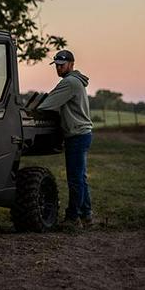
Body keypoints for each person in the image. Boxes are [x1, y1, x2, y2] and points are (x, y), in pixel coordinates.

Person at [36, 50, 93, 227]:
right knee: (80, 178)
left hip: (76, 135)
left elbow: (47, 105)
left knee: (75, 179)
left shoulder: (69, 83)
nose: (59, 68)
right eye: (57, 65)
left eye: (62, 65)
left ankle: (72, 218)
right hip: (82, 133)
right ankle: (87, 216)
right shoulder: (76, 82)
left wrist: (32, 110)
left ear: (71, 64)